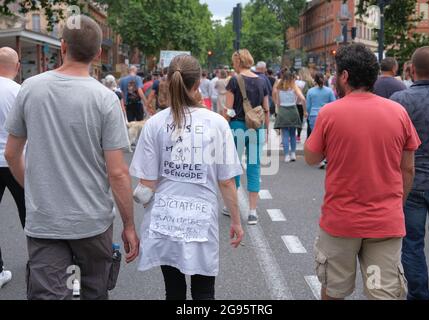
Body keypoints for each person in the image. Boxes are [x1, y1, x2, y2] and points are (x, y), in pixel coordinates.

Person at [4, 15, 139, 300]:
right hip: (92, 221)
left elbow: (12, 153)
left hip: (46, 221)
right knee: (93, 292)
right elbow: (117, 173)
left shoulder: (31, 88)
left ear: (62, 46)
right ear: (98, 53)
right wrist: (129, 225)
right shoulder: (105, 99)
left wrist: (34, 189)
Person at [304, 43, 421, 300]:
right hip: (384, 223)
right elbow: (408, 168)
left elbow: (311, 158)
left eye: (336, 74)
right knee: (382, 293)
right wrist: (396, 204)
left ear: (345, 76)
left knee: (334, 291)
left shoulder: (330, 113)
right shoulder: (398, 112)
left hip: (340, 223)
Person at [129, 54, 244, 300]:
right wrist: (236, 219)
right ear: (198, 83)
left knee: (174, 291)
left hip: (164, 217)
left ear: (169, 81)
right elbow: (226, 181)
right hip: (200, 218)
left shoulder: (155, 124)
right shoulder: (217, 124)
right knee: (204, 291)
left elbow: (146, 184)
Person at [390, 47, 429, 300]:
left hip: (411, 182)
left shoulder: (399, 101)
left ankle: (419, 294)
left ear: (412, 70)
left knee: (412, 243)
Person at [224, 49, 270, 225]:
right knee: (254, 166)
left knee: (234, 166)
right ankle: (252, 212)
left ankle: (232, 207)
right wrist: (265, 129)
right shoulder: (262, 81)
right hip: (256, 127)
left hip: (237, 126)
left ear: (237, 62)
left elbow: (229, 110)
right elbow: (266, 108)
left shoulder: (234, 81)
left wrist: (222, 128)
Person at [0, 47, 24, 289]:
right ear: (17, 67)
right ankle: (40, 263)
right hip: (17, 160)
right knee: (30, 215)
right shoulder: (20, 91)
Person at [274, 70, 306, 163]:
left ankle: (286, 155)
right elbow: (303, 99)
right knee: (293, 134)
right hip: (293, 109)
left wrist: (279, 111)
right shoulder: (294, 87)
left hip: (283, 110)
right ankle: (293, 154)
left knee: (285, 134)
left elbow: (278, 102)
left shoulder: (279, 88)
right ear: (292, 78)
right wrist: (302, 109)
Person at [296, 67, 315, 141]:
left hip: (302, 103)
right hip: (311, 102)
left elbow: (303, 94)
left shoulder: (302, 83)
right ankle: (309, 136)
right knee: (308, 121)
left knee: (300, 119)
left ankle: (298, 135)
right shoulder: (312, 82)